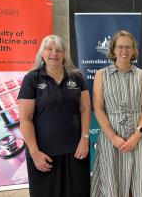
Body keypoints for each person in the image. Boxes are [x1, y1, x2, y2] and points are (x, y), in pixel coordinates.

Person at [18, 35, 91, 197]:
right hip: (44, 154)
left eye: (58, 50)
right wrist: (35, 153)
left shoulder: (76, 77)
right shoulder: (32, 79)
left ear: (64, 54)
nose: (54, 53)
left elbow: (85, 109)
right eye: (49, 49)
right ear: (42, 54)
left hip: (76, 151)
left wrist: (85, 139)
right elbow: (25, 119)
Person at [91, 30, 142, 197]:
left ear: (134, 50)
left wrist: (137, 135)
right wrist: (113, 137)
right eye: (120, 47)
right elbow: (98, 108)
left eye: (128, 47)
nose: (124, 51)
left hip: (140, 135)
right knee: (112, 182)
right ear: (113, 49)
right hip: (111, 136)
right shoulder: (101, 75)